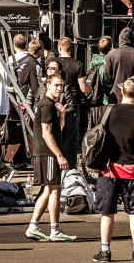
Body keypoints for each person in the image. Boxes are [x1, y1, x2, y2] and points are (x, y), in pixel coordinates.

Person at [92, 80, 134, 263]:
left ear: (122, 92)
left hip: (110, 169)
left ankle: (105, 251)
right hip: (133, 168)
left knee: (107, 212)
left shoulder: (109, 111)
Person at [26, 75, 77, 242]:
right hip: (47, 153)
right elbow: (46, 133)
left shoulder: (53, 106)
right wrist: (59, 155)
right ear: (48, 86)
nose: (59, 88)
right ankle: (54, 230)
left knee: (49, 189)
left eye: (61, 85)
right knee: (54, 189)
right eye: (56, 85)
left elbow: (57, 130)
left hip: (48, 153)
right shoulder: (46, 105)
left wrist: (61, 116)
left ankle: (34, 227)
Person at [54, 37, 88, 168]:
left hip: (56, 101)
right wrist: (91, 88)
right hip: (73, 103)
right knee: (71, 137)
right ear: (71, 48)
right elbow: (83, 87)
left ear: (59, 47)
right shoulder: (77, 64)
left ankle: (58, 163)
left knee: (57, 133)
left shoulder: (53, 62)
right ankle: (70, 166)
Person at [102, 27, 134, 103]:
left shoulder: (111, 54)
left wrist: (109, 91)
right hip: (133, 95)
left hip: (116, 94)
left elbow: (106, 76)